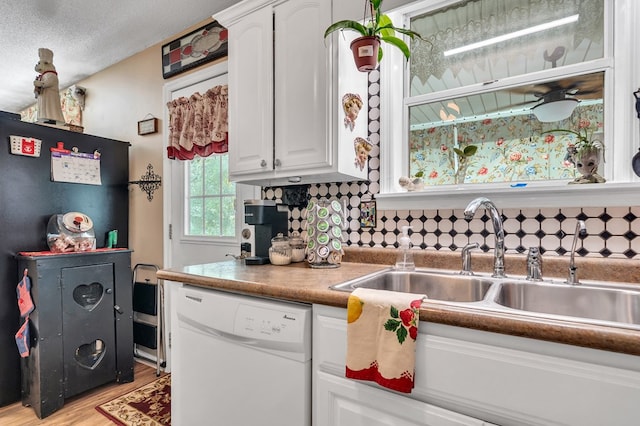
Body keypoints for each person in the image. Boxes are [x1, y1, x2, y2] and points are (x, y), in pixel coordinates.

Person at [33, 48, 65, 123]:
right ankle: (44, 118)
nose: (37, 65)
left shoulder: (51, 75)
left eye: (39, 63)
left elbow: (49, 82)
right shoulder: (43, 76)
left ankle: (51, 119)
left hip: (50, 96)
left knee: (50, 108)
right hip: (44, 96)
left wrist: (40, 84)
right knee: (43, 108)